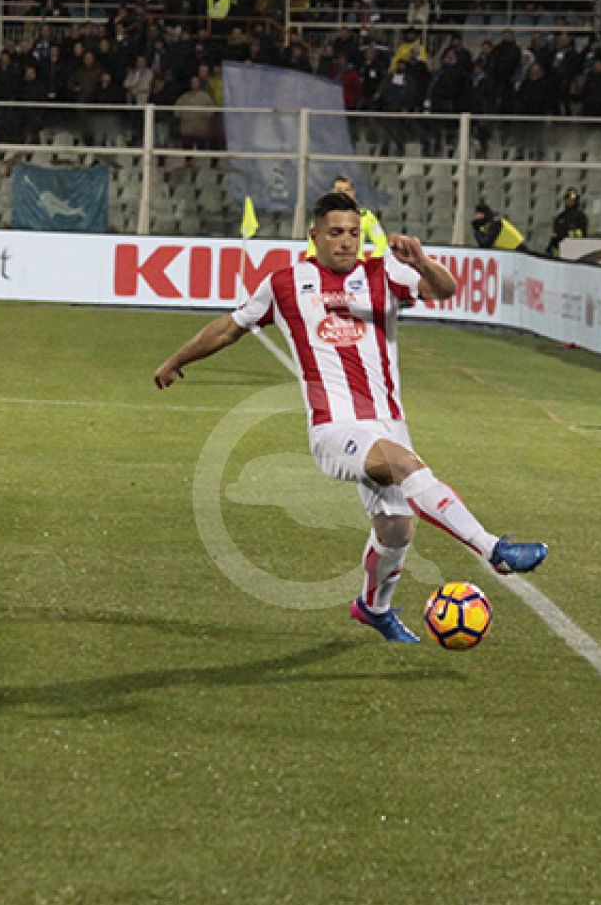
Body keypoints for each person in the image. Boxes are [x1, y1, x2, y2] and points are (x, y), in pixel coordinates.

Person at [152, 190, 549, 643]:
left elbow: (445, 290)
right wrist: (175, 360)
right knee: (404, 465)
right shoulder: (285, 284)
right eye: (336, 232)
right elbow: (228, 328)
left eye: (354, 233)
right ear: (315, 235)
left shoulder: (384, 273)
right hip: (335, 429)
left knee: (396, 528)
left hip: (389, 424)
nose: (346, 241)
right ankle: (493, 548)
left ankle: (372, 608)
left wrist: (422, 263)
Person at [303, 174, 389, 261]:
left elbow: (381, 242)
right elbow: (313, 245)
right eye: (339, 190)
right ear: (332, 192)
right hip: (328, 266)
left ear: (353, 192)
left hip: (355, 266)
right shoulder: (321, 215)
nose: (343, 194)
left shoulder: (366, 216)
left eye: (347, 190)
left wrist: (371, 263)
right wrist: (314, 264)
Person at [545, 187, 590, 257]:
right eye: (567, 199)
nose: (569, 201)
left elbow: (582, 234)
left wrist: (565, 234)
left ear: (576, 201)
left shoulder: (580, 216)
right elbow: (555, 235)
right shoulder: (560, 217)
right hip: (559, 253)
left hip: (574, 251)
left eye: (572, 199)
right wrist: (550, 247)